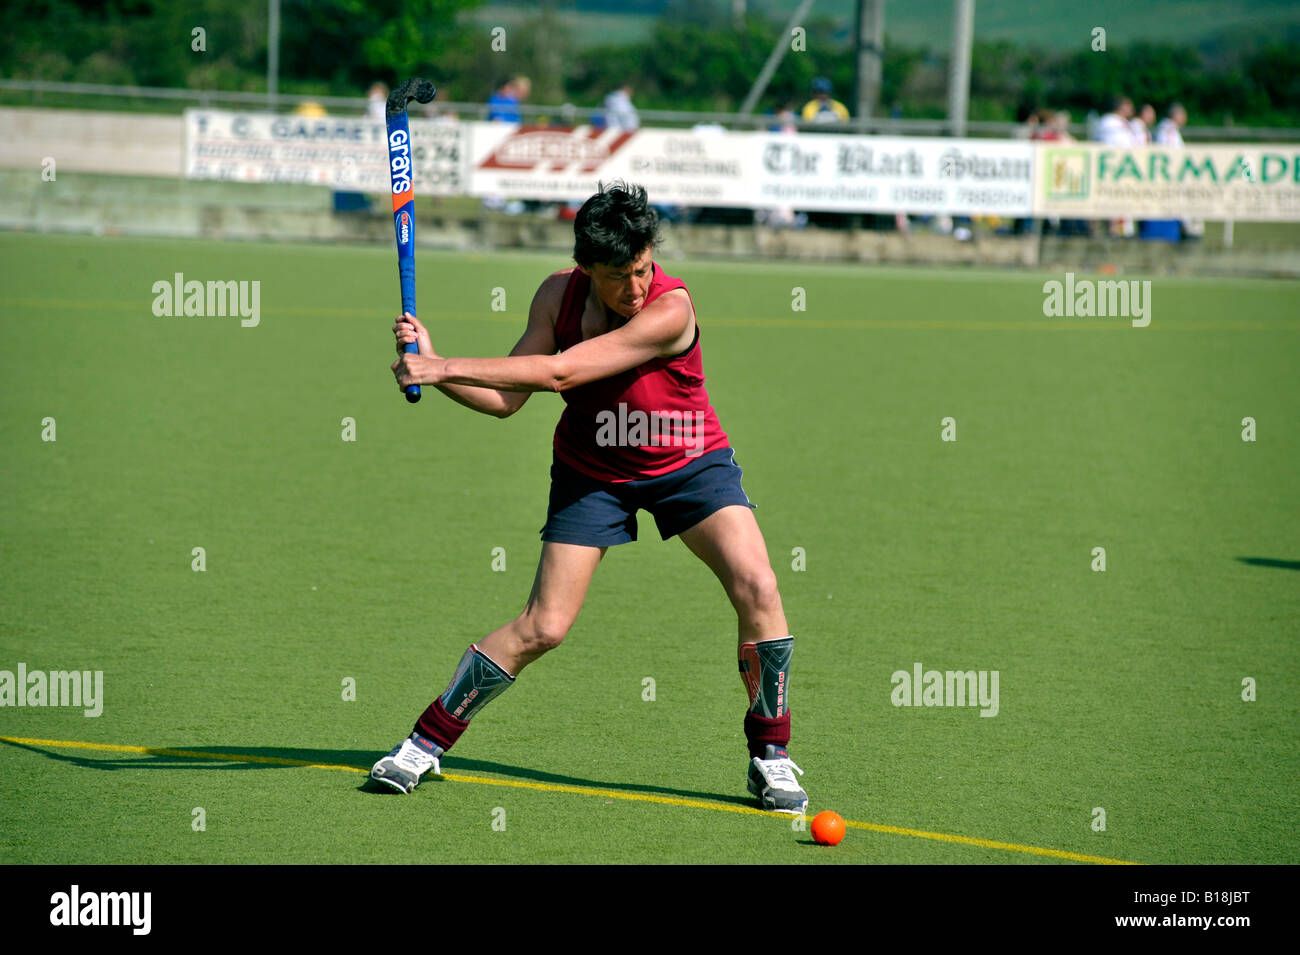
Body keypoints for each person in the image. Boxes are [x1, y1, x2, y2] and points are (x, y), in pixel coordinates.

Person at [371, 182, 808, 814]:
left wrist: (443, 367)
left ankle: (771, 756)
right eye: (617, 277)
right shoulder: (557, 295)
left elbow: (560, 373)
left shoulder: (671, 308)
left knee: (759, 586)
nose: (634, 288)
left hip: (689, 461)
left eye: (641, 269)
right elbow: (505, 400)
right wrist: (432, 363)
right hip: (592, 470)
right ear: (585, 269)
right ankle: (424, 743)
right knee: (544, 625)